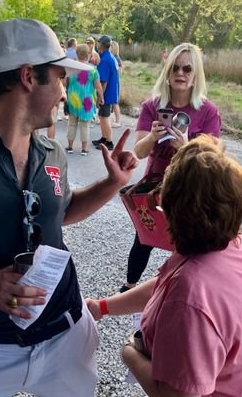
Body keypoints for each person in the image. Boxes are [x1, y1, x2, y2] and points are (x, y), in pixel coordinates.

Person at [0, 19, 138, 397]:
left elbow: (63, 210)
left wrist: (112, 184)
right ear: (28, 76)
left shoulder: (52, 151)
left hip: (68, 338)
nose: (64, 92)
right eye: (60, 77)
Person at [87, 135, 242, 397]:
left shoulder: (190, 293)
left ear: (168, 208)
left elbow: (175, 394)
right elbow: (163, 287)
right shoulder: (233, 245)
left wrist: (130, 352)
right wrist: (103, 307)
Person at [119, 42, 221, 293]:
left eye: (187, 68)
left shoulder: (207, 111)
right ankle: (129, 288)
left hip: (189, 190)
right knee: (144, 240)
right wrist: (153, 137)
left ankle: (176, 294)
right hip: (153, 188)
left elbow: (213, 161)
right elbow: (139, 152)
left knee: (184, 245)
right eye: (175, 68)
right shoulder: (152, 106)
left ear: (196, 73)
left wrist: (185, 146)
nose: (181, 74)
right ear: (167, 71)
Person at [66, 43, 104, 155]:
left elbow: (65, 83)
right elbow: (98, 86)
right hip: (87, 102)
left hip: (73, 99)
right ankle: (84, 149)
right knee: (85, 125)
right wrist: (101, 97)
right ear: (88, 55)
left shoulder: (71, 68)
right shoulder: (93, 70)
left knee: (72, 124)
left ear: (76, 54)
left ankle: (70, 147)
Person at [92, 35, 120, 151]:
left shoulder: (105, 60)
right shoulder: (111, 57)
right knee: (102, 116)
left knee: (104, 117)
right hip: (112, 92)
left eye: (98, 43)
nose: (97, 44)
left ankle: (109, 142)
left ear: (101, 45)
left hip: (106, 94)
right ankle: (103, 138)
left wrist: (100, 97)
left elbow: (103, 82)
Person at [110, 40, 122, 128]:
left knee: (114, 102)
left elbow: (119, 72)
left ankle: (118, 121)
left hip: (115, 82)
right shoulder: (114, 58)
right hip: (114, 81)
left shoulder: (116, 58)